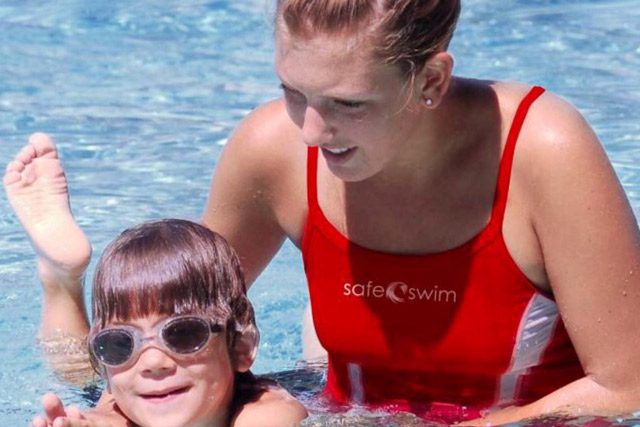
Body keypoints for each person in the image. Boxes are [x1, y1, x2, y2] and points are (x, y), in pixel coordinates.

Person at [7, 0, 640, 424]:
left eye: (348, 103)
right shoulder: (272, 152)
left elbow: (627, 389)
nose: (310, 130)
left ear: (431, 81)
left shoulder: (541, 151)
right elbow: (177, 337)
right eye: (292, 92)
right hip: (339, 409)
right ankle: (58, 278)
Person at [4, 136, 306, 426]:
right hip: (132, 393)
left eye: (184, 334)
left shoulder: (270, 413)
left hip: (308, 383)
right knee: (85, 380)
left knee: (319, 348)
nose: (153, 362)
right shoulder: (123, 396)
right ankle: (60, 279)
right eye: (117, 344)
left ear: (242, 345)